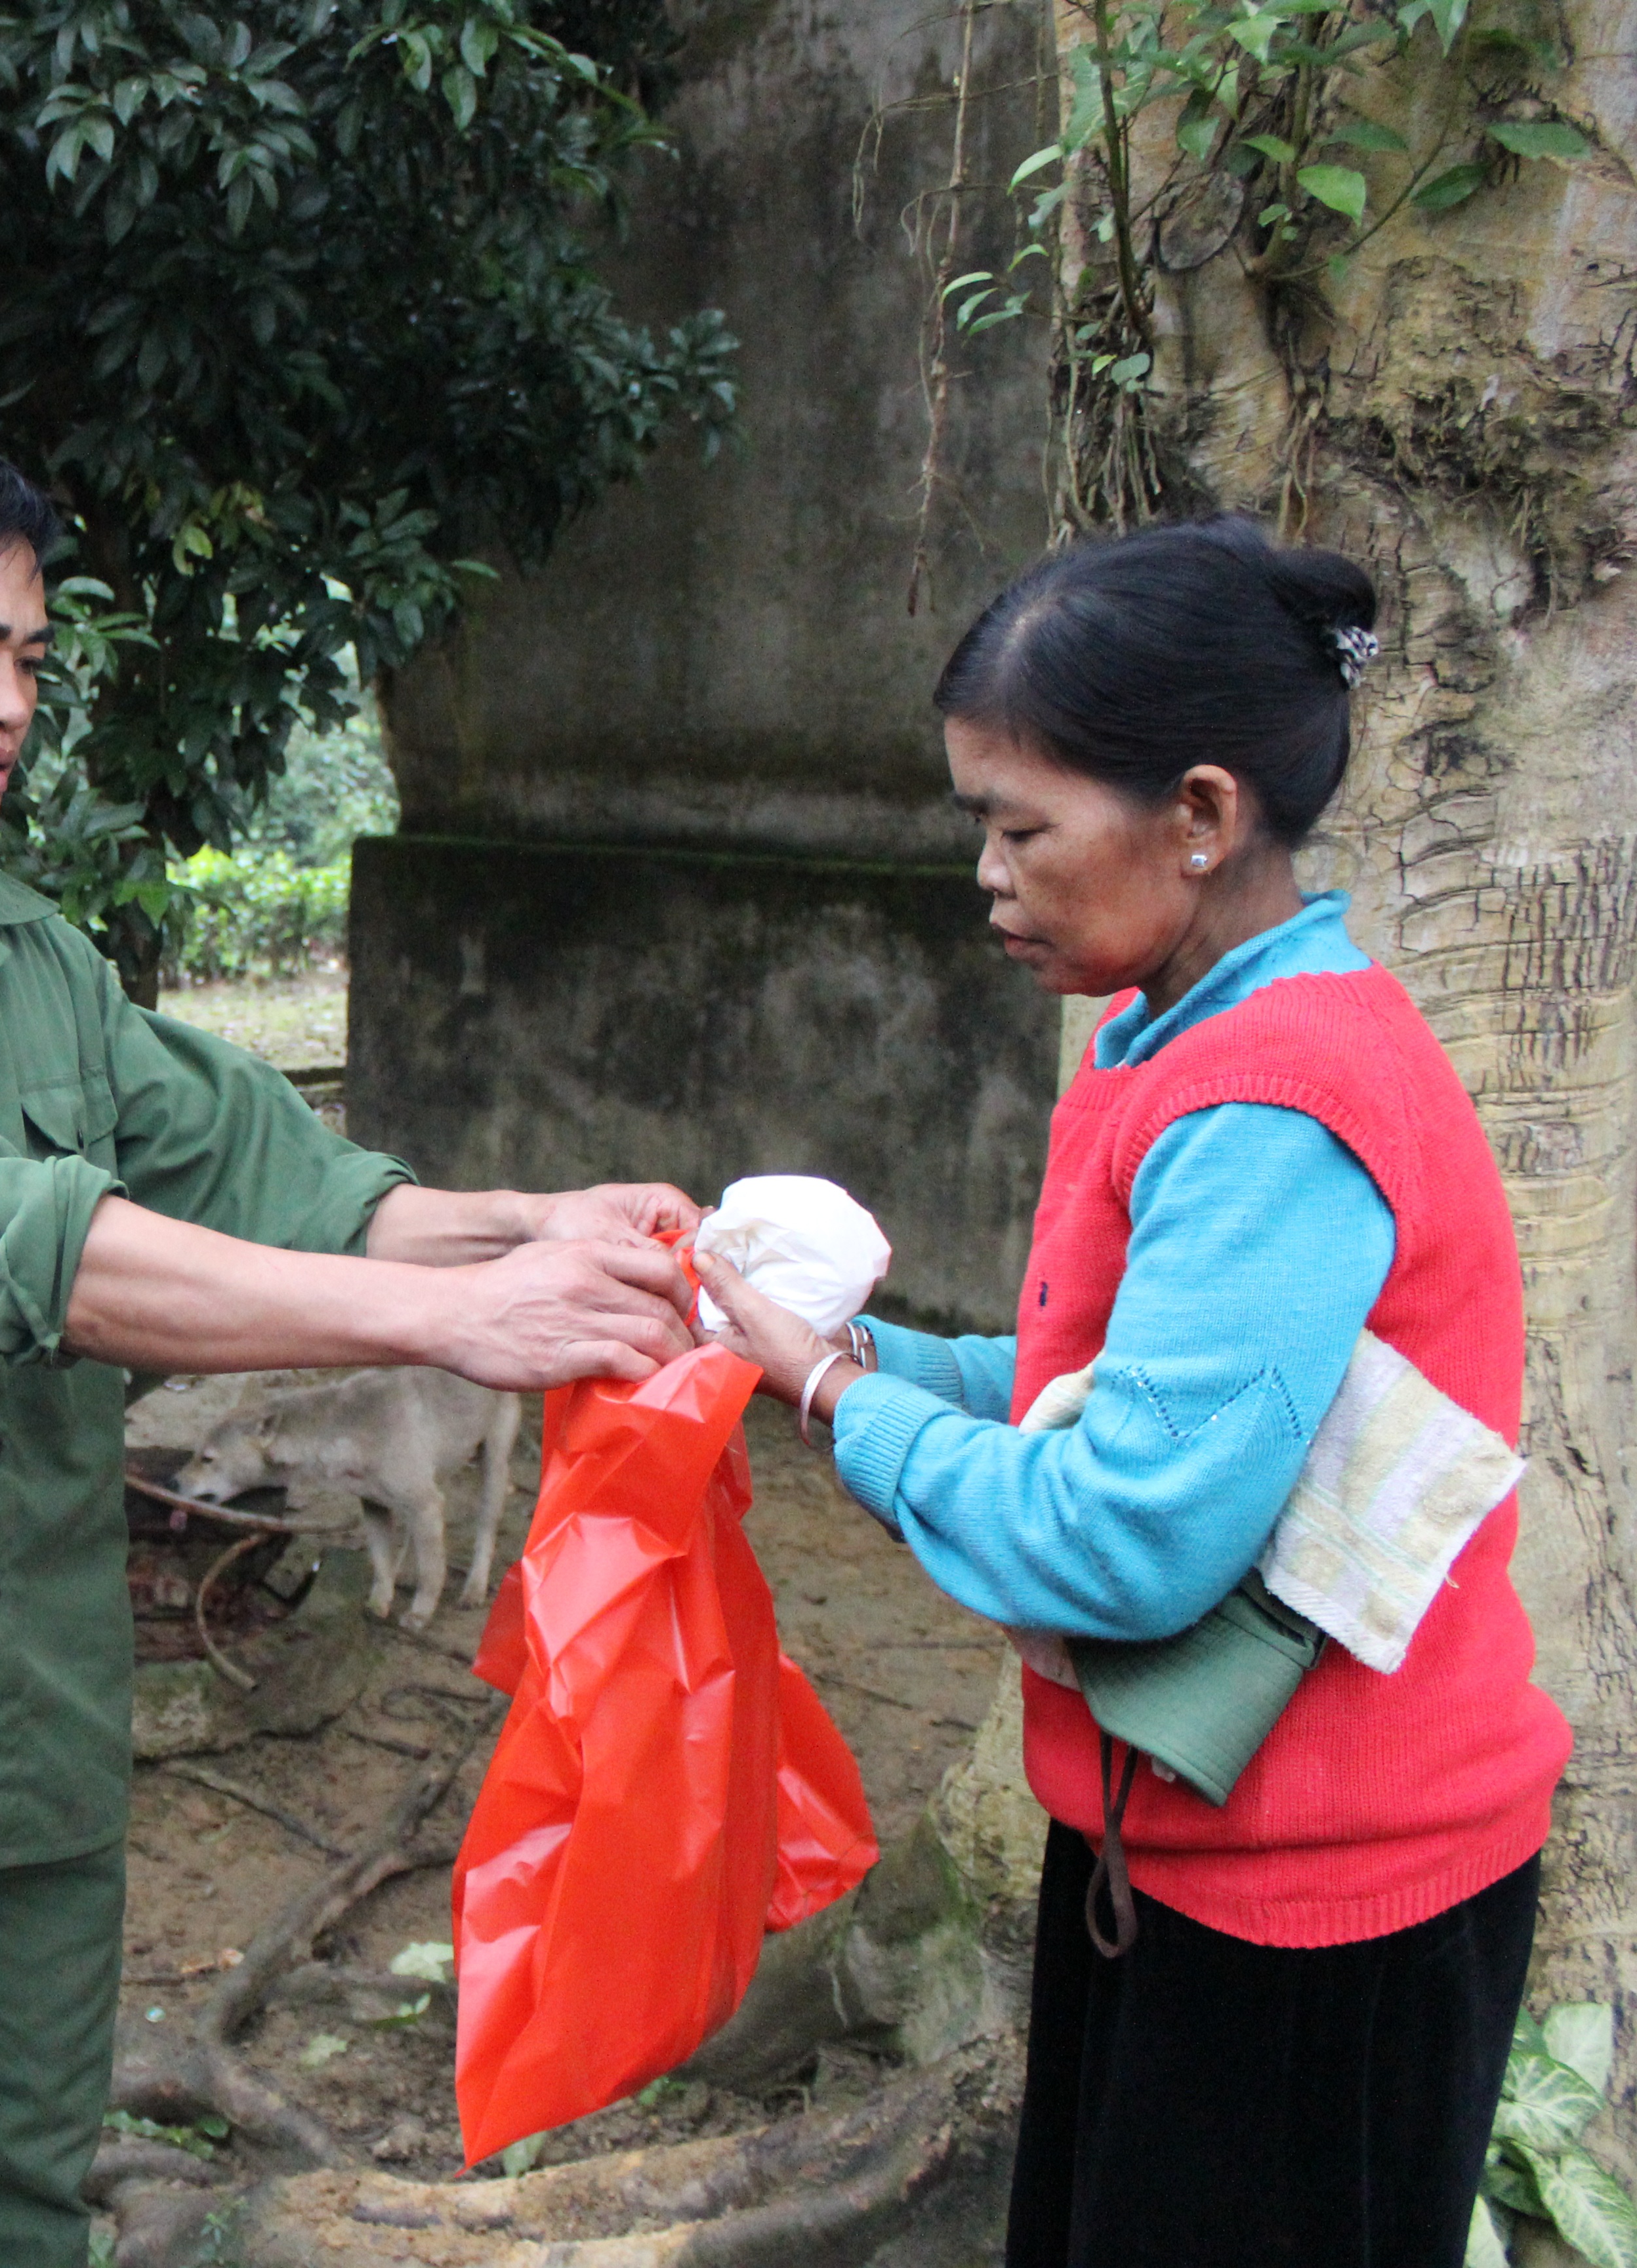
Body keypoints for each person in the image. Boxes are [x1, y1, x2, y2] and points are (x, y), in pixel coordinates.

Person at [0, 423, 705, 2268]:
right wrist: (455, 1319)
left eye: (31, 662)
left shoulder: (31, 953)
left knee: (17, 2215)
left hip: (23, 1743)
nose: (12, 702)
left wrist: (542, 1225)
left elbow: (286, 1177)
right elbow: (39, 1255)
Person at [698, 516, 1569, 2267]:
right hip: (1201, 1868)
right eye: (981, 828)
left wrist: (830, 1399)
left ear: (1197, 813)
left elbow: (1122, 1537)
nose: (991, 876)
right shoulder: (1192, 1032)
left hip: (1325, 1919)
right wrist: (821, 1343)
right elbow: (1137, 1394)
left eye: (1022, 826)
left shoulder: (1271, 1102)